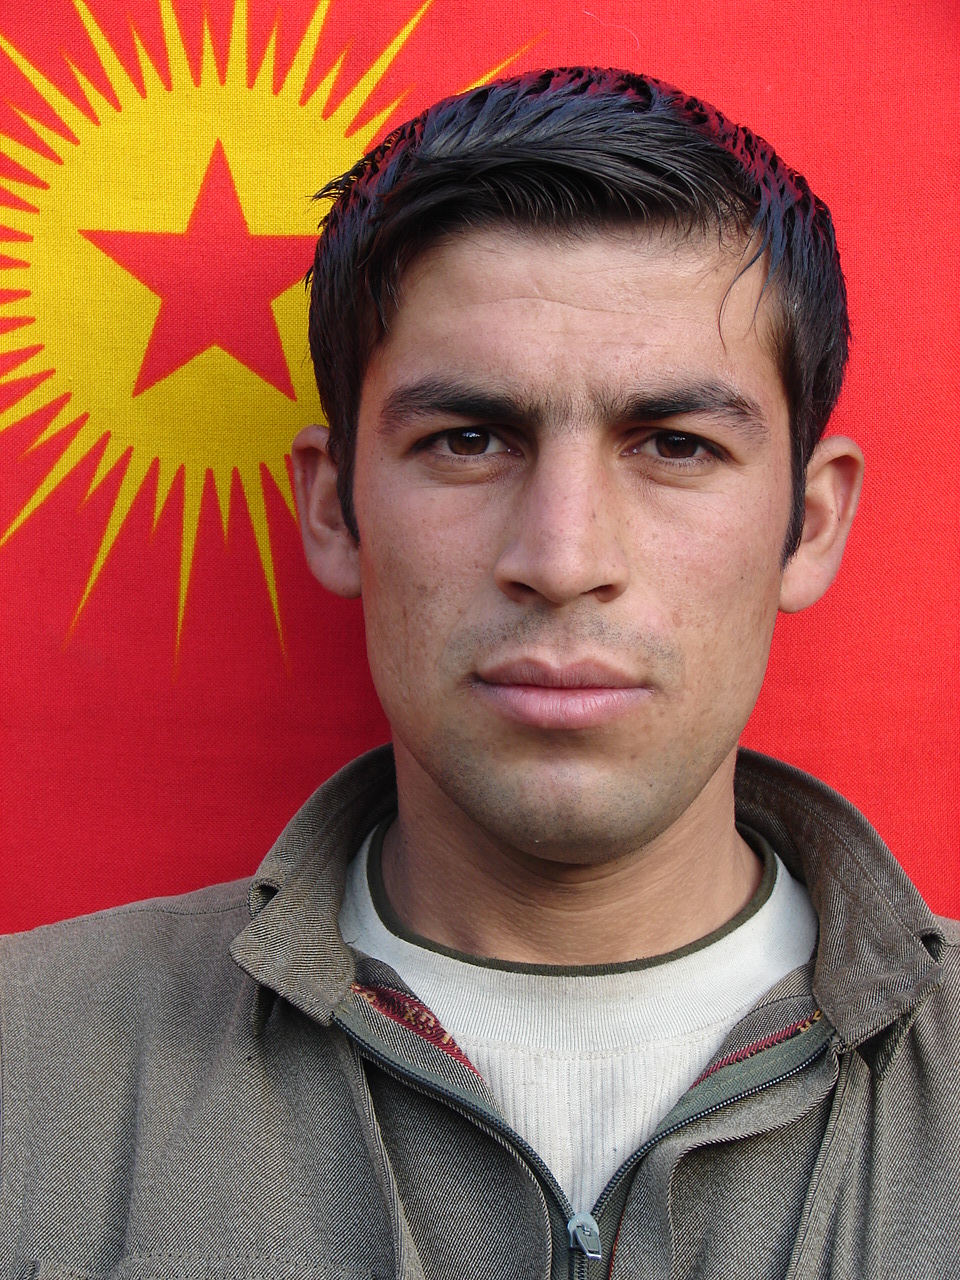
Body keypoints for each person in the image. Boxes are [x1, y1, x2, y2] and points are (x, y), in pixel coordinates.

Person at [1, 67, 957, 1278]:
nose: (562, 558)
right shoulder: (24, 1069)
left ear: (809, 524)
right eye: (468, 439)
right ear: (336, 508)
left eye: (674, 444)